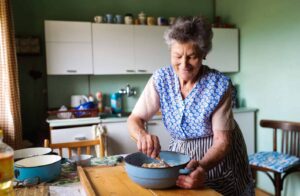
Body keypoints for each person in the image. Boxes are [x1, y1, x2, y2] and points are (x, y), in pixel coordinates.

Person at [127, 16, 254, 196]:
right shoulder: (161, 79)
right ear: (170, 51)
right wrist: (142, 135)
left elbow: (222, 142)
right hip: (180, 155)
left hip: (217, 158)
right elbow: (135, 119)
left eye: (192, 56)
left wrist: (202, 166)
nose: (184, 64)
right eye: (177, 56)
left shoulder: (218, 85)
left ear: (204, 54)